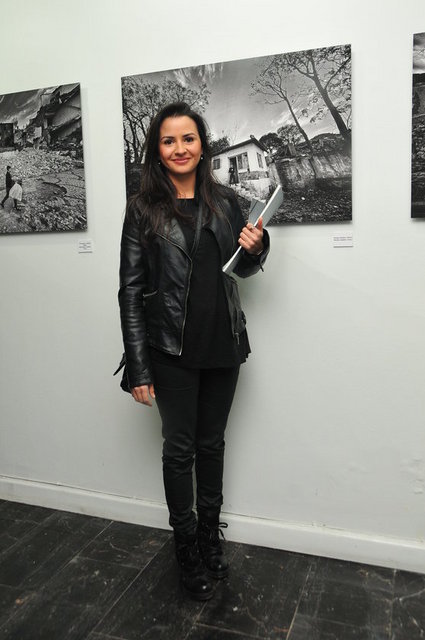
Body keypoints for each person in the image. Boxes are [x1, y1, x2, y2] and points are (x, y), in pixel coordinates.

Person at [118, 102, 270, 601]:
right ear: (157, 150)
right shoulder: (142, 208)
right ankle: (185, 547)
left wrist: (257, 248)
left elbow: (240, 268)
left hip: (223, 342)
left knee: (212, 445)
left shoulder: (225, 201)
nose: (179, 148)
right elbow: (130, 290)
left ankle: (209, 537)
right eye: (169, 141)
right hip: (170, 350)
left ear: (202, 144)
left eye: (188, 138)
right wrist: (138, 365)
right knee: (179, 451)